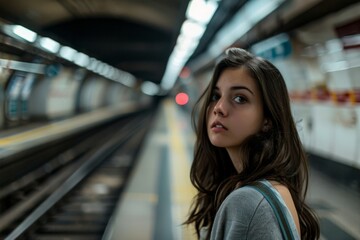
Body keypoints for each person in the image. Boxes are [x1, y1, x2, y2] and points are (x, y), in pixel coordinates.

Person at [185, 48, 320, 239]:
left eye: (240, 98)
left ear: (267, 120)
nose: (219, 108)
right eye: (216, 96)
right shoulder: (274, 188)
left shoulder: (249, 203)